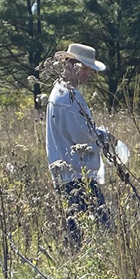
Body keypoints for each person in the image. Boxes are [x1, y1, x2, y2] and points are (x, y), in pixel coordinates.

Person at [45, 42, 113, 248]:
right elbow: (83, 137)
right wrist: (108, 137)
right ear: (70, 65)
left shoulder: (65, 93)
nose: (87, 74)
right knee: (102, 232)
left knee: (77, 233)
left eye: (89, 70)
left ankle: (72, 264)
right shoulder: (66, 96)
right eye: (84, 69)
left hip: (72, 175)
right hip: (76, 176)